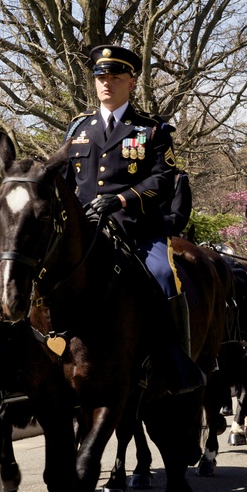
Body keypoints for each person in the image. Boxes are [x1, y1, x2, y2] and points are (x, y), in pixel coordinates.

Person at [60, 44, 202, 393]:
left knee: (166, 277)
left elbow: (163, 178)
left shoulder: (152, 130)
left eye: (115, 77)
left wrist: (121, 199)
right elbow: (63, 183)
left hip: (136, 231)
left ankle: (175, 361)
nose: (106, 84)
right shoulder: (78, 129)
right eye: (100, 77)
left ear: (132, 82)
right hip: (88, 232)